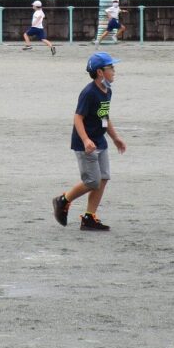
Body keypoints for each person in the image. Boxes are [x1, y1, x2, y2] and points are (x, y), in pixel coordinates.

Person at [51, 52, 127, 231]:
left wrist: (115, 138)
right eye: (111, 67)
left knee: (104, 177)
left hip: (99, 140)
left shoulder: (107, 90)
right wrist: (85, 140)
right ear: (100, 72)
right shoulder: (89, 93)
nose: (114, 71)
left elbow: (104, 116)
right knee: (92, 181)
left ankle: (89, 217)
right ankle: (63, 200)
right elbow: (78, 118)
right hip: (85, 144)